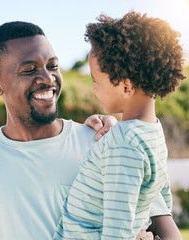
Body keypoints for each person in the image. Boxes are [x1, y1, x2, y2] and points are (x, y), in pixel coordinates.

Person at [0, 21, 181, 239]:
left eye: (52, 65)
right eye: (29, 70)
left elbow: (163, 223)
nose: (47, 78)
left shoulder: (103, 140)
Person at [54, 11, 185, 240]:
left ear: (126, 87)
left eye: (96, 80)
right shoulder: (153, 130)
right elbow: (162, 193)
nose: (94, 88)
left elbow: (117, 227)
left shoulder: (123, 142)